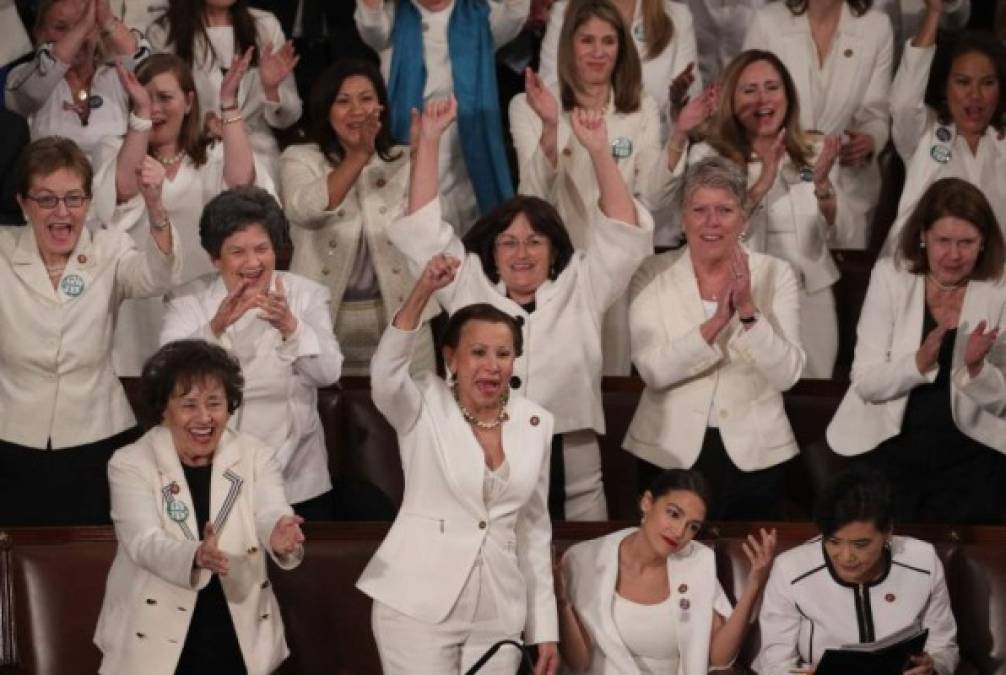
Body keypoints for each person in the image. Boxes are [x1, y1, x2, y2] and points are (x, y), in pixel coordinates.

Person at [390, 97, 653, 521]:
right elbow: (421, 228)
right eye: (508, 242)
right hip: (483, 448)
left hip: (572, 462)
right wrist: (432, 142)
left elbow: (624, 232)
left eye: (535, 242)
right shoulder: (468, 282)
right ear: (492, 253)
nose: (522, 253)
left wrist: (600, 151)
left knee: (575, 566)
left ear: (554, 250)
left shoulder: (583, 282)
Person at [357, 262, 559, 674]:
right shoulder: (421, 403)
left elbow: (534, 529)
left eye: (503, 354)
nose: (492, 366)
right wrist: (421, 293)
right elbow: (384, 375)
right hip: (417, 606)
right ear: (451, 358)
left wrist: (544, 629)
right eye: (478, 353)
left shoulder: (536, 421)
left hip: (499, 611)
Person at [94, 339, 306, 674]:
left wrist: (278, 534)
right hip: (152, 631)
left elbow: (270, 511)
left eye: (214, 403)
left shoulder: (255, 455)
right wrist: (194, 556)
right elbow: (143, 542)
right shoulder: (131, 462)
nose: (204, 417)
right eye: (189, 405)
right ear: (164, 409)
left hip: (237, 625)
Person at [0, 136, 179, 526]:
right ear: (23, 204)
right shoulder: (2, 250)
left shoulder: (108, 247)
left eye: (74, 198)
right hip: (11, 435)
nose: (62, 212)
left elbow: (156, 277)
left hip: (98, 434)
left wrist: (155, 207)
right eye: (46, 199)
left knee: (93, 559)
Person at [625, 156, 805, 521]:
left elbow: (788, 373)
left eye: (724, 210)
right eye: (699, 210)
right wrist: (716, 324)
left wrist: (750, 314)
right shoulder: (651, 273)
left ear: (744, 218)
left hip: (757, 454)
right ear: (683, 217)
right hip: (667, 452)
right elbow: (652, 370)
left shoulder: (776, 273)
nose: (711, 222)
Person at [510, 0, 678, 374]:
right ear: (569, 46)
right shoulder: (529, 106)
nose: (598, 52)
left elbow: (651, 194)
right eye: (587, 41)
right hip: (555, 271)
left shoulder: (640, 108)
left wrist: (679, 138)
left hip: (618, 273)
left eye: (608, 41)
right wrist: (551, 129)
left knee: (613, 383)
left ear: (622, 48)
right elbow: (533, 199)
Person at [827, 178, 1006, 524]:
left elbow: (1002, 400)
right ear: (922, 236)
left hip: (974, 448)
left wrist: (977, 369)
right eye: (943, 241)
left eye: (966, 242)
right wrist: (917, 363)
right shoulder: (891, 276)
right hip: (890, 441)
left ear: (983, 242)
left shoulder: (1000, 288)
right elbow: (865, 382)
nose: (953, 255)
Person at [161, 186, 343, 520]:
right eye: (238, 252)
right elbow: (166, 378)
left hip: (297, 479)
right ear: (216, 258)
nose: (253, 263)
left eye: (262, 249)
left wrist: (291, 327)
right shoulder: (188, 301)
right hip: (212, 475)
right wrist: (214, 328)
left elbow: (328, 374)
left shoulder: (306, 296)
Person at [91, 52, 269, 376]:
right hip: (138, 305)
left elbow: (243, 187)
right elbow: (125, 189)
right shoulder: (115, 149)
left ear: (188, 102)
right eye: (145, 99)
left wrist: (228, 102)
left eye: (164, 97)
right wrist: (141, 117)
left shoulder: (212, 155)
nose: (155, 107)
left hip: (202, 302)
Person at [677, 50, 841, 378]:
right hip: (741, 297)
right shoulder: (709, 154)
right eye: (749, 90)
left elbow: (828, 230)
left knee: (813, 394)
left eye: (772, 87)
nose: (762, 99)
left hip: (811, 295)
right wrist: (762, 183)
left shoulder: (814, 150)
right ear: (730, 100)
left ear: (788, 96)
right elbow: (712, 232)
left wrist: (823, 186)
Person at [281, 59, 435, 375]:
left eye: (366, 99)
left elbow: (426, 231)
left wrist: (427, 152)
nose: (357, 110)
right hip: (322, 324)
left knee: (416, 419)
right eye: (343, 101)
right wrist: (357, 157)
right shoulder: (300, 159)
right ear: (326, 110)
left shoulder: (404, 159)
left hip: (402, 319)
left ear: (380, 106)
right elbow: (305, 212)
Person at [556, 468, 776, 674]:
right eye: (673, 514)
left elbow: (720, 658)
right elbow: (578, 663)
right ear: (647, 503)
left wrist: (754, 584)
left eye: (693, 527)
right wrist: (562, 601)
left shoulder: (697, 561)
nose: (680, 531)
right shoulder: (584, 559)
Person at [755, 467, 960, 675]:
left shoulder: (923, 560)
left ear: (888, 531)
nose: (846, 557)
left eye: (860, 544)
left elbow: (944, 646)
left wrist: (933, 667)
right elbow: (774, 664)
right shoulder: (790, 570)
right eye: (834, 542)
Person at [354, 0, 527, 233]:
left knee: (468, 226)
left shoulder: (481, 13)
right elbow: (372, 28)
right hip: (409, 139)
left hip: (468, 142)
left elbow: (515, 13)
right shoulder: (393, 14)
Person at [743, 0, 894, 250]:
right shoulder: (767, 22)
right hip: (777, 188)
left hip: (847, 191)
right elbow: (747, 106)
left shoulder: (876, 27)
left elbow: (876, 113)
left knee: (841, 284)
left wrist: (871, 139)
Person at [882, 4, 1006, 252]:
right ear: (944, 86)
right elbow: (904, 102)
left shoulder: (1001, 144)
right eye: (963, 82)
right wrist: (934, 14)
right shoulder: (923, 134)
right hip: (918, 278)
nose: (975, 95)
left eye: (987, 83)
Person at [147, 0, 300, 184]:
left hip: (257, 157)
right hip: (193, 156)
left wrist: (271, 90)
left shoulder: (265, 25)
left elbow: (290, 116)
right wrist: (203, 123)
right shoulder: (164, 31)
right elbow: (157, 106)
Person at [5, 0, 150, 166]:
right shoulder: (22, 77)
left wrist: (108, 20)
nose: (76, 38)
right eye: (61, 27)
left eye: (87, 26)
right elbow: (35, 86)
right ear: (39, 33)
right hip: (50, 190)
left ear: (97, 30)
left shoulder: (116, 77)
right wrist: (83, 27)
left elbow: (150, 70)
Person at [537, 0, 700, 137]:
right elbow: (550, 94)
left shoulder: (677, 17)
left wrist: (677, 106)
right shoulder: (565, 11)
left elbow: (692, 114)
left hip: (654, 160)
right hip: (579, 153)